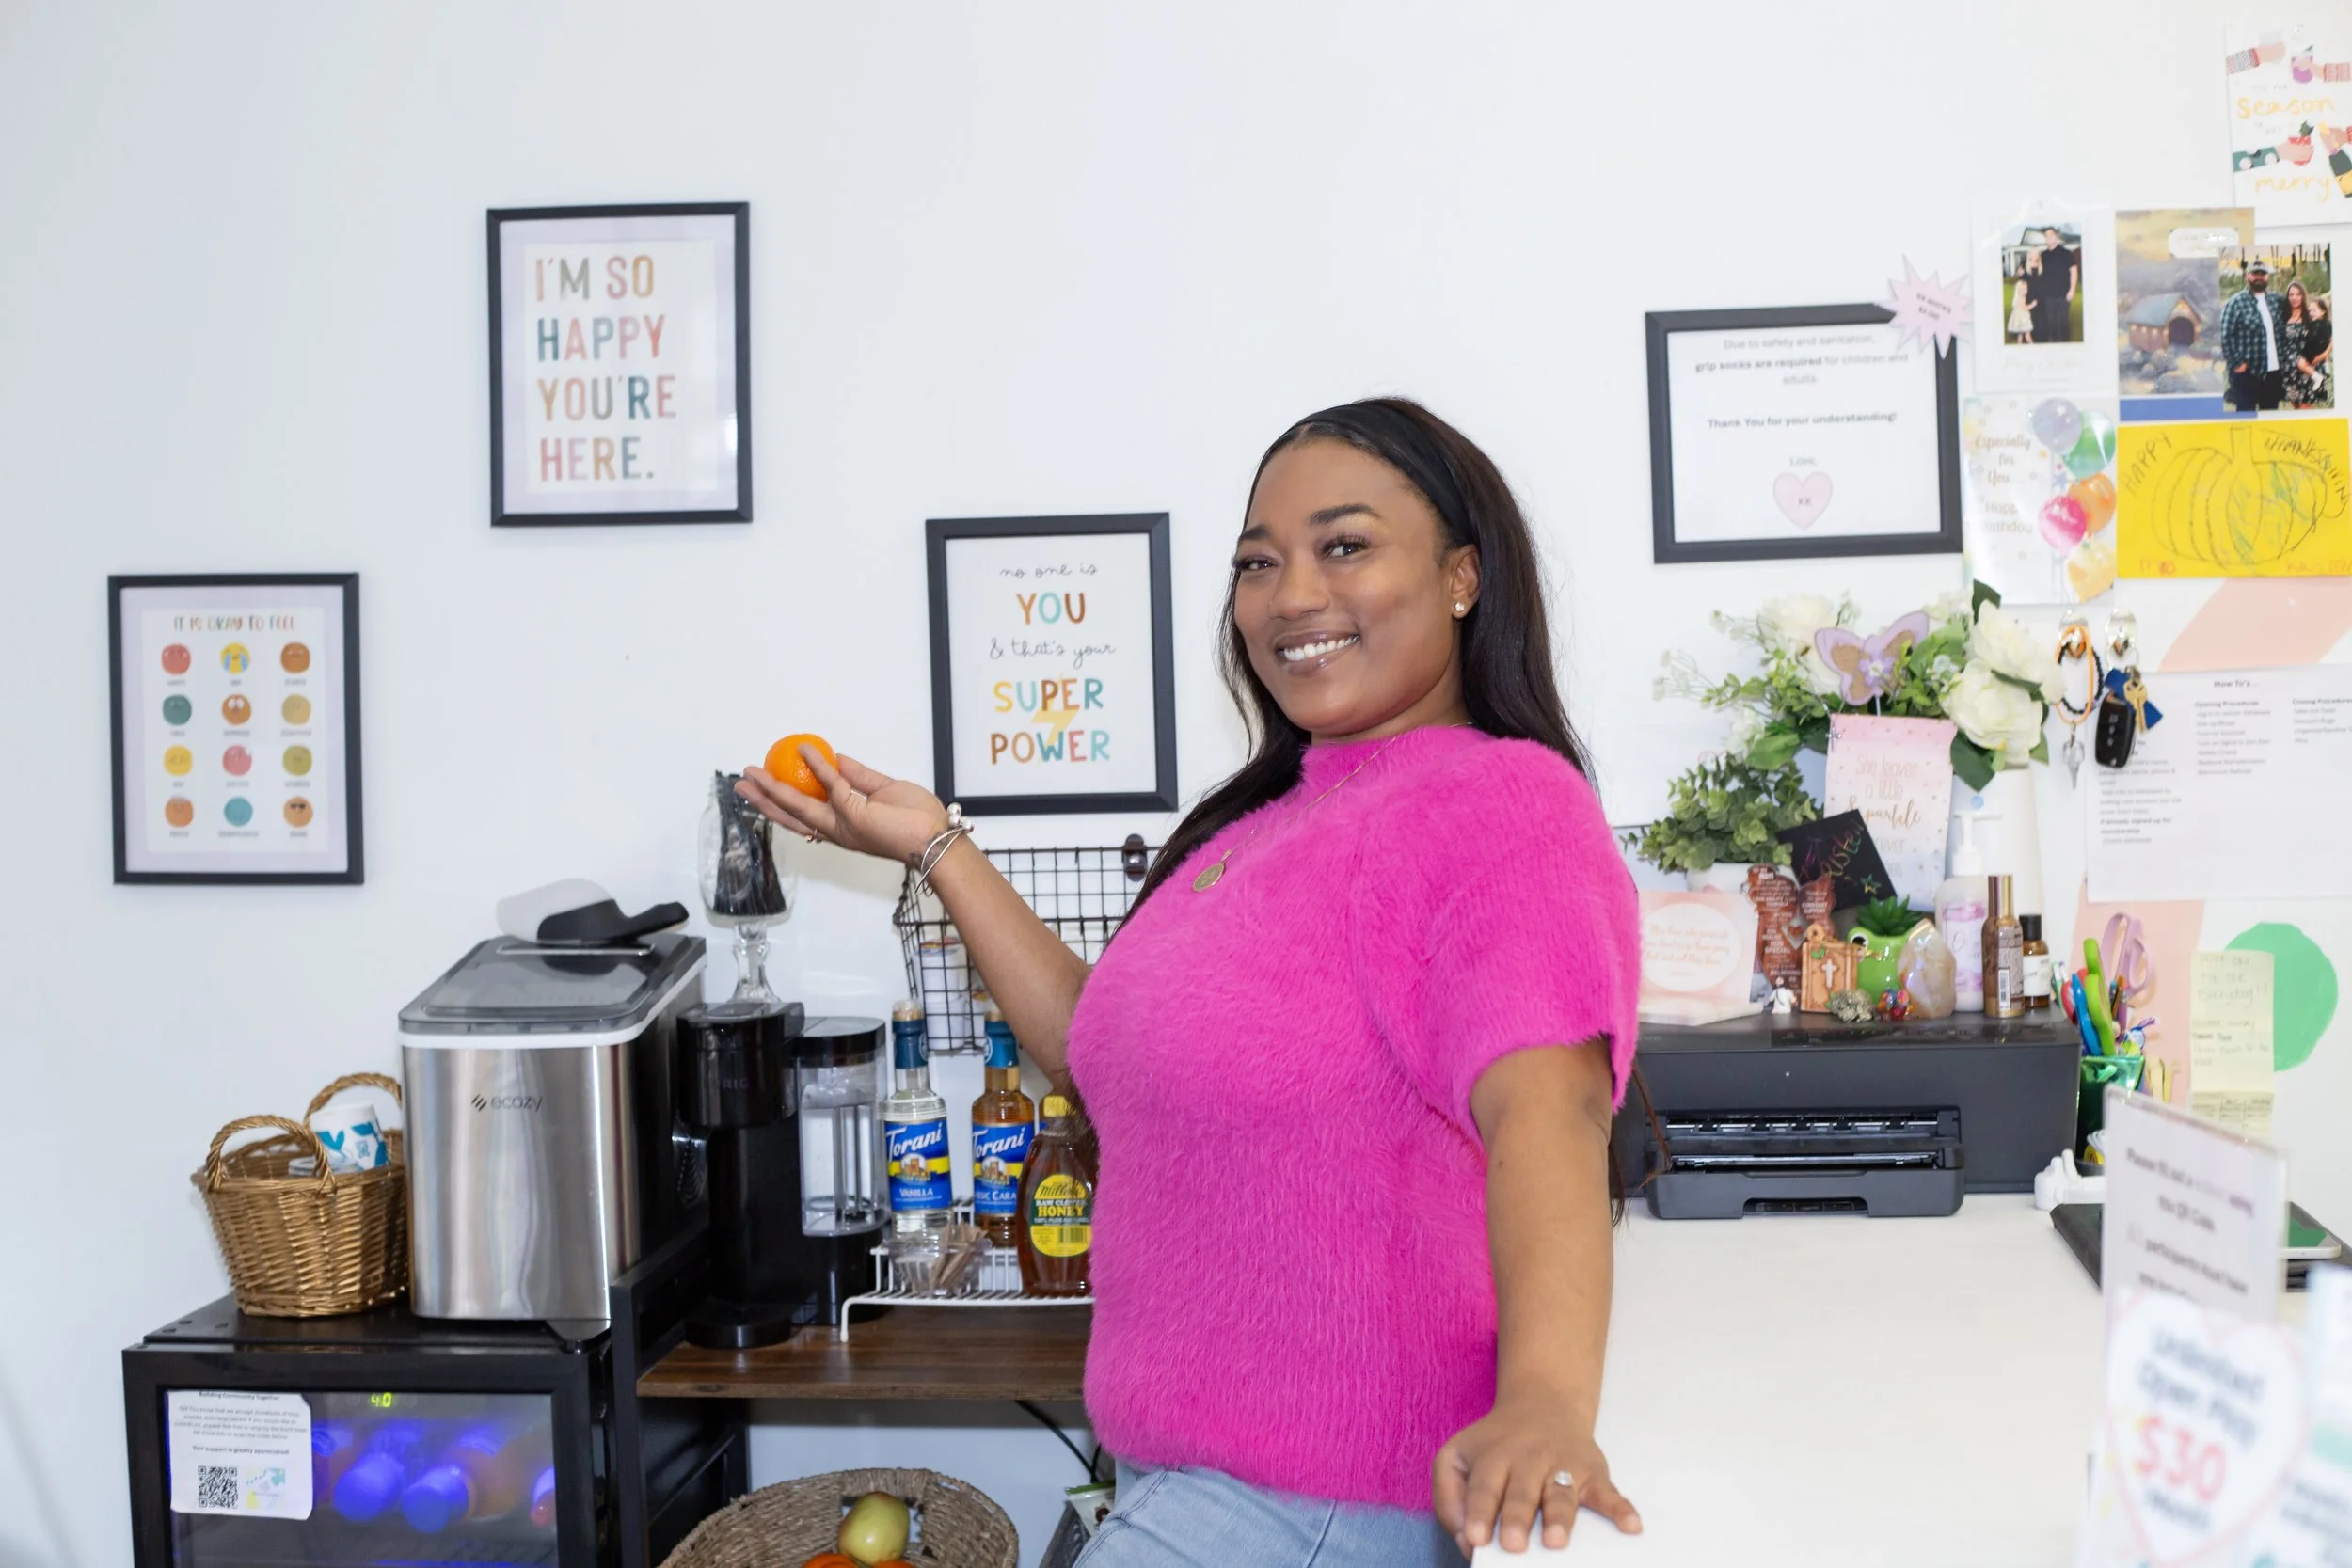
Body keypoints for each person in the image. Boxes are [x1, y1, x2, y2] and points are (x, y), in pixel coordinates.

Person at [737, 399, 1642, 1566]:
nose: (1292, 593)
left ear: (1463, 576)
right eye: (1258, 563)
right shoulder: (1261, 826)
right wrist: (934, 847)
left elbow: (1550, 1106)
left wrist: (1549, 1404)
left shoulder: (1499, 804)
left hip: (1310, 1503)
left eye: (1344, 545)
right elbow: (1096, 1054)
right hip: (1187, 1485)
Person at [2222, 258, 2290, 411]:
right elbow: (2225, 335)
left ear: (2268, 277)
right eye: (2255, 273)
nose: (2259, 277)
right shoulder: (2235, 303)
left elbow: (2297, 316)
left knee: (2270, 415)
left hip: (2273, 372)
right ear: (2247, 276)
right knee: (2245, 417)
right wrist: (2237, 363)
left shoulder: (2276, 300)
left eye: (2263, 274)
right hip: (2247, 373)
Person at [2285, 282, 2333, 407]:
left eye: (2298, 294)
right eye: (2291, 294)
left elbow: (2331, 338)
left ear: (2303, 296)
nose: (2294, 297)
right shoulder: (2283, 316)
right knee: (2296, 408)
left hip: (2310, 367)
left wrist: (2324, 355)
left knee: (2305, 409)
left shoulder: (2309, 315)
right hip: (2291, 368)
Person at [2028, 226, 2077, 344]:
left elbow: (2074, 272)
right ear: (2045, 239)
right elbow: (2033, 269)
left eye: (2051, 235)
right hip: (2047, 297)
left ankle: (2065, 348)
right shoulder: (2043, 256)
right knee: (2050, 325)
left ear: (2056, 237)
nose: (2049, 238)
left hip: (2063, 295)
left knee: (2062, 324)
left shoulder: (2066, 253)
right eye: (2047, 236)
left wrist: (2072, 290)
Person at [2007, 256, 2037, 343]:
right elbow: (2025, 308)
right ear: (2018, 290)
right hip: (2023, 319)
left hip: (2021, 318)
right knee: (2027, 334)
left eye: (2026, 289)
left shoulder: (2021, 297)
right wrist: (2033, 304)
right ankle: (2033, 347)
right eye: (2022, 290)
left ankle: (2019, 346)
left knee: (2020, 334)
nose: (2025, 291)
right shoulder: (2020, 298)